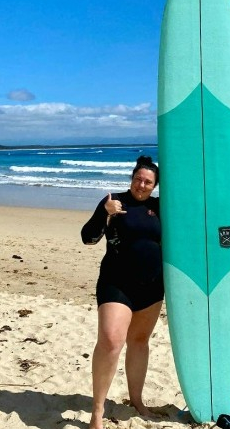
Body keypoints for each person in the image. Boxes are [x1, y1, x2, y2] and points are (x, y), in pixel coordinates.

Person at [81, 155, 163, 429]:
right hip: (116, 283)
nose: (141, 185)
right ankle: (97, 411)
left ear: (155, 186)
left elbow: (203, 209)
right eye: (138, 179)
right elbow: (88, 238)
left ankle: (137, 401)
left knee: (139, 342)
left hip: (152, 286)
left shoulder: (161, 207)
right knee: (111, 341)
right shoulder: (113, 201)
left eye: (148, 182)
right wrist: (105, 213)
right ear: (131, 178)